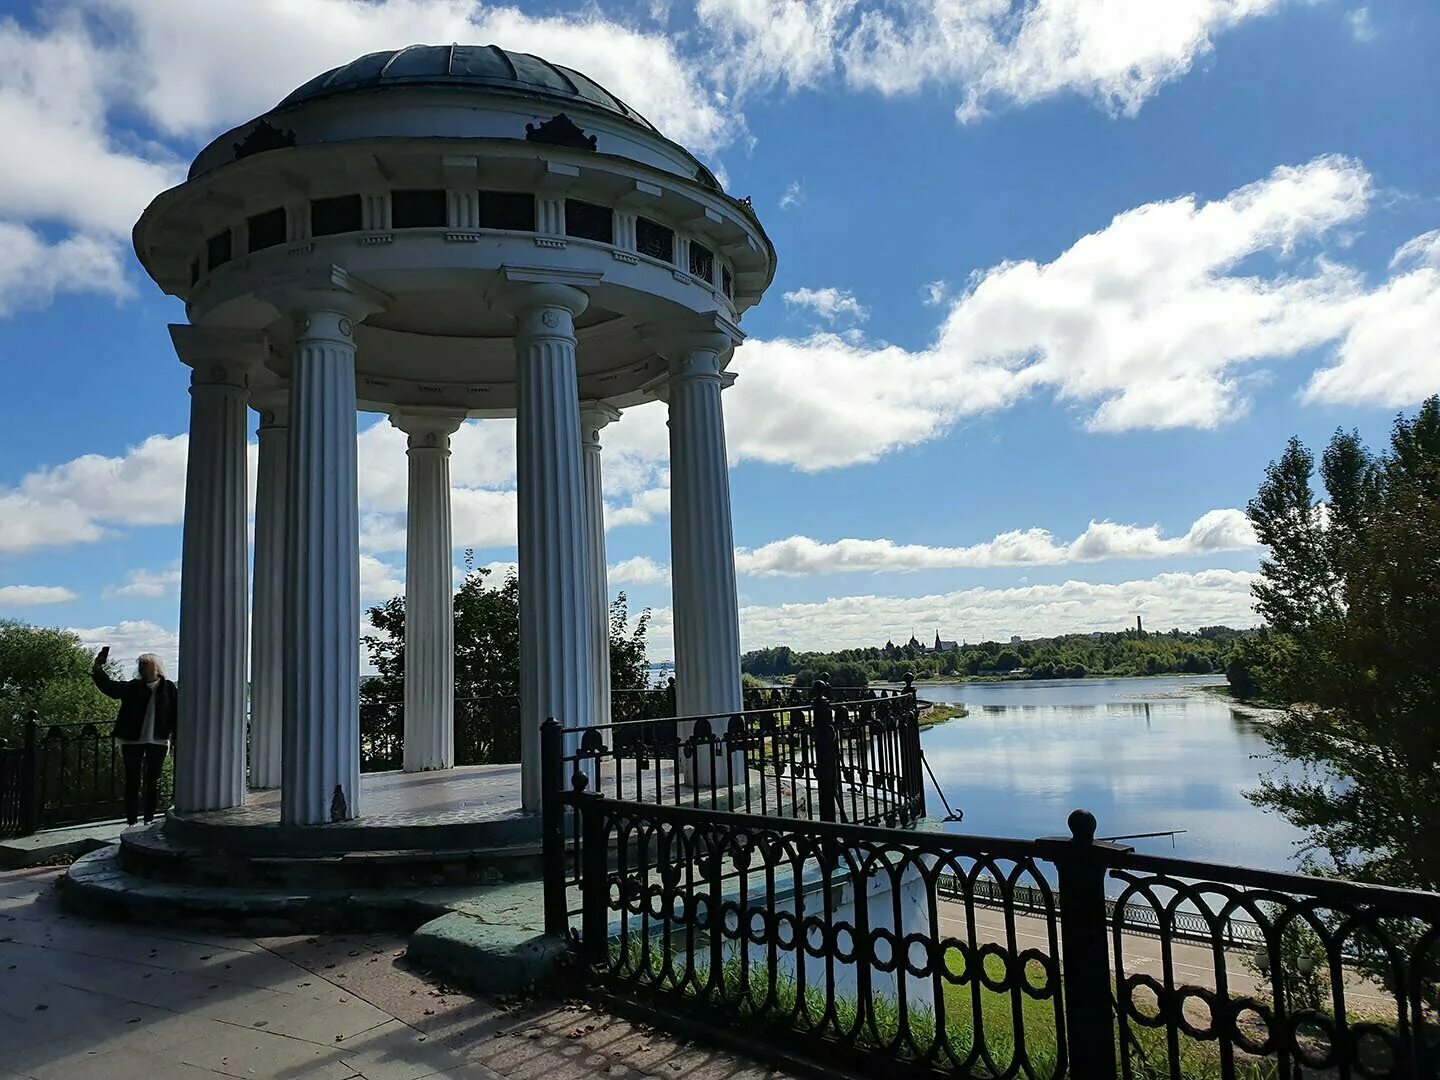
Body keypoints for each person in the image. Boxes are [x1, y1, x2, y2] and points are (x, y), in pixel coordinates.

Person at [91, 649, 177, 826]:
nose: (142, 669)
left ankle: (149, 819)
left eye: (145, 665)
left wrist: (176, 737)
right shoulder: (132, 686)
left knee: (153, 782)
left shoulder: (168, 688)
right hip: (131, 740)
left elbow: (176, 714)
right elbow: (110, 688)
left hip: (158, 741)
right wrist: (98, 668)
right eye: (140, 665)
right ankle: (131, 820)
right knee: (132, 782)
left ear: (156, 668)